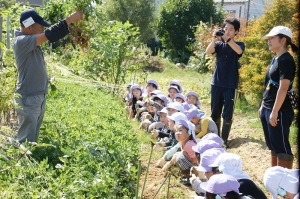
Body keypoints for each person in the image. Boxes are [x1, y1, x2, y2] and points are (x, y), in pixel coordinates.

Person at [13, 9, 83, 143]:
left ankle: (30, 161)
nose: (42, 30)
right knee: (25, 141)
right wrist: (70, 19)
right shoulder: (22, 41)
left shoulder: (29, 41)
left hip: (37, 96)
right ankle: (22, 162)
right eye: (40, 27)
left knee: (33, 140)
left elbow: (49, 34)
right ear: (29, 27)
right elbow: (50, 34)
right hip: (29, 98)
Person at [259, 26, 298, 169]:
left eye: (271, 38)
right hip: (269, 107)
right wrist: (263, 105)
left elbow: (283, 88)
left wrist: (275, 111)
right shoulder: (276, 58)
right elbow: (269, 85)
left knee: (282, 147)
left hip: (280, 110)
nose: (268, 41)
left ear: (283, 40)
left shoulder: (286, 60)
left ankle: (285, 184)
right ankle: (274, 179)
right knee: (273, 145)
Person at [205, 17, 245, 148]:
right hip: (216, 83)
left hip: (230, 84)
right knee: (215, 112)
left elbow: (239, 51)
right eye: (225, 29)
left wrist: (227, 39)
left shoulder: (239, 45)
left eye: (231, 29)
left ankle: (224, 140)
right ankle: (216, 138)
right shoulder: (219, 45)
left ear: (236, 32)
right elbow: (208, 52)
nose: (227, 31)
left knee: (227, 113)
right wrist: (214, 39)